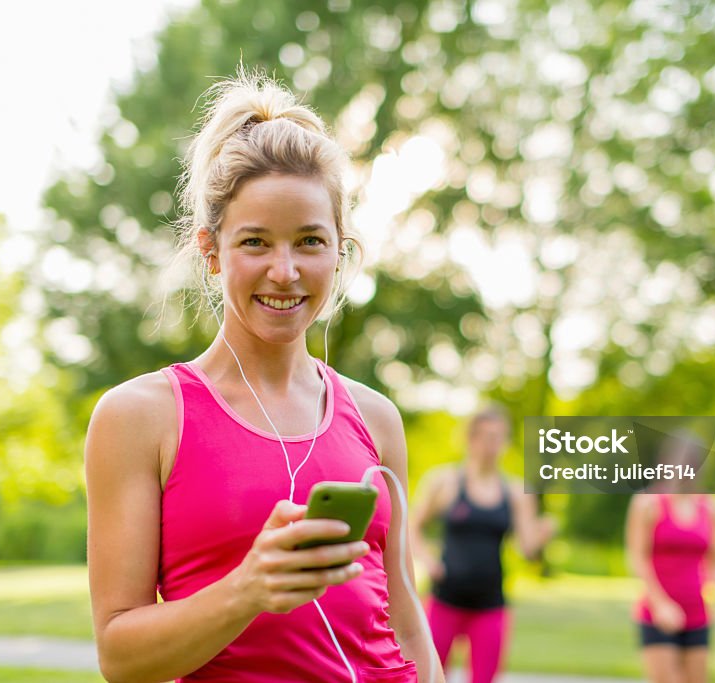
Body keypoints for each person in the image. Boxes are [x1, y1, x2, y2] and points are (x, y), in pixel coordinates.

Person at [85, 70, 442, 683]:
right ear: (211, 249)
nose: (285, 271)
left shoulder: (375, 417)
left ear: (340, 251)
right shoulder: (141, 416)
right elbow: (121, 657)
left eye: (309, 241)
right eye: (255, 242)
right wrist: (249, 588)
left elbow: (403, 612)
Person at [410, 407, 556, 683]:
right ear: (471, 439)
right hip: (446, 598)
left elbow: (527, 550)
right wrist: (428, 561)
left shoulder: (515, 492)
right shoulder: (444, 482)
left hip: (491, 603)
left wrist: (542, 535)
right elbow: (411, 526)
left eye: (499, 439)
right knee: (429, 676)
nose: (493, 446)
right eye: (487, 438)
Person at [625, 431, 715, 683]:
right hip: (658, 614)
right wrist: (660, 604)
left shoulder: (709, 506)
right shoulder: (647, 503)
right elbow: (637, 558)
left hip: (697, 614)